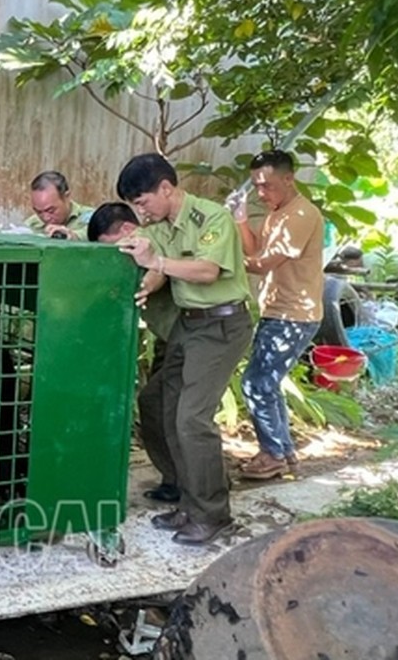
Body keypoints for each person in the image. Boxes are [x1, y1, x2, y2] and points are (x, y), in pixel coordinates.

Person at [115, 153, 253, 545]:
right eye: (134, 205)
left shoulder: (211, 218)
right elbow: (148, 259)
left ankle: (213, 515)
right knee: (158, 404)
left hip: (222, 325)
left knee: (192, 419)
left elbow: (207, 271)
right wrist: (149, 278)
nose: (140, 210)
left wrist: (157, 260)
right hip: (188, 326)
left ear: (166, 188)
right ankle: (187, 497)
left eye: (142, 201)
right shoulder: (160, 226)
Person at [229, 150, 324, 480]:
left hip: (294, 315)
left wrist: (218, 264)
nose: (260, 192)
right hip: (278, 311)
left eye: (267, 185)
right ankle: (282, 453)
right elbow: (255, 250)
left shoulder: (300, 215)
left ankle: (273, 455)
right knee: (267, 384)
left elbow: (263, 264)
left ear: (289, 178)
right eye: (256, 185)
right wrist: (241, 220)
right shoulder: (278, 213)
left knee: (256, 384)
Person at [88, 202, 180, 503]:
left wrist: (155, 274)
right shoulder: (137, 239)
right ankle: (181, 480)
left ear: (127, 230)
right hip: (171, 337)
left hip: (191, 335)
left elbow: (160, 267)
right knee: (164, 407)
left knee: (171, 410)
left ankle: (197, 485)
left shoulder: (148, 240)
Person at [25, 170, 93, 239]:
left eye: (51, 211)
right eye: (39, 212)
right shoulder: (32, 223)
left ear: (66, 197)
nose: (45, 218)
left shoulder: (92, 218)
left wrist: (70, 235)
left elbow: (93, 234)